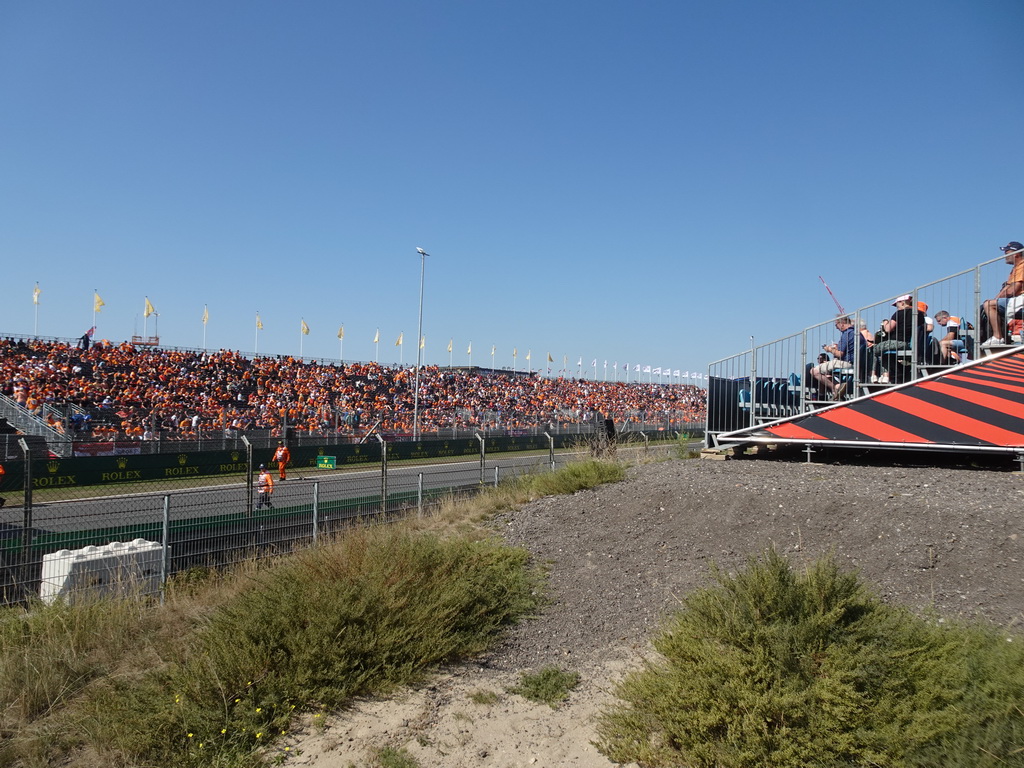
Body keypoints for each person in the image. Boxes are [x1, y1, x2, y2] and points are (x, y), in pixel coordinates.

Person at [981, 241, 1024, 348]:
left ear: (1016, 254)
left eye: (1007, 252)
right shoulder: (1016, 267)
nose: (1005, 255)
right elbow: (1007, 288)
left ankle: (998, 337)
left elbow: (1013, 289)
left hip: (1022, 298)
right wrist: (995, 299)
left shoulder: (1022, 266)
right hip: (1018, 298)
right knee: (988, 305)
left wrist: (994, 302)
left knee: (989, 305)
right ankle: (998, 336)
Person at [872, 294, 924, 382]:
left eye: (897, 305)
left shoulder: (898, 313)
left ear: (902, 303)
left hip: (898, 342)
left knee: (875, 349)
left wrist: (885, 323)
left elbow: (888, 329)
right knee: (886, 353)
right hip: (910, 343)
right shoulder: (919, 314)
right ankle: (887, 376)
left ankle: (877, 375)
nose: (897, 307)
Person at [810, 316, 863, 399]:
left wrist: (829, 349)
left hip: (847, 362)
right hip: (855, 362)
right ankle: (825, 394)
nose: (836, 327)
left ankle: (836, 387)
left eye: (836, 325)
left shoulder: (846, 334)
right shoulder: (857, 333)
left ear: (842, 323)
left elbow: (840, 354)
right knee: (826, 371)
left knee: (814, 371)